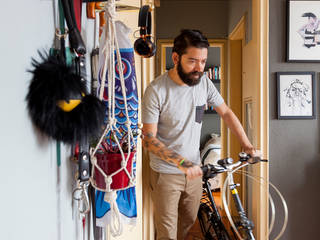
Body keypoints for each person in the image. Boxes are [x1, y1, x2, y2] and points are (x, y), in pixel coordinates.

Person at [141, 29, 259, 240]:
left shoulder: (204, 82)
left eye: (203, 61)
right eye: (193, 61)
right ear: (176, 57)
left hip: (195, 170)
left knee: (187, 223)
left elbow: (226, 112)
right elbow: (149, 139)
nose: (199, 68)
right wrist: (183, 164)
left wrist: (247, 144)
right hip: (166, 172)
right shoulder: (156, 90)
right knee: (167, 231)